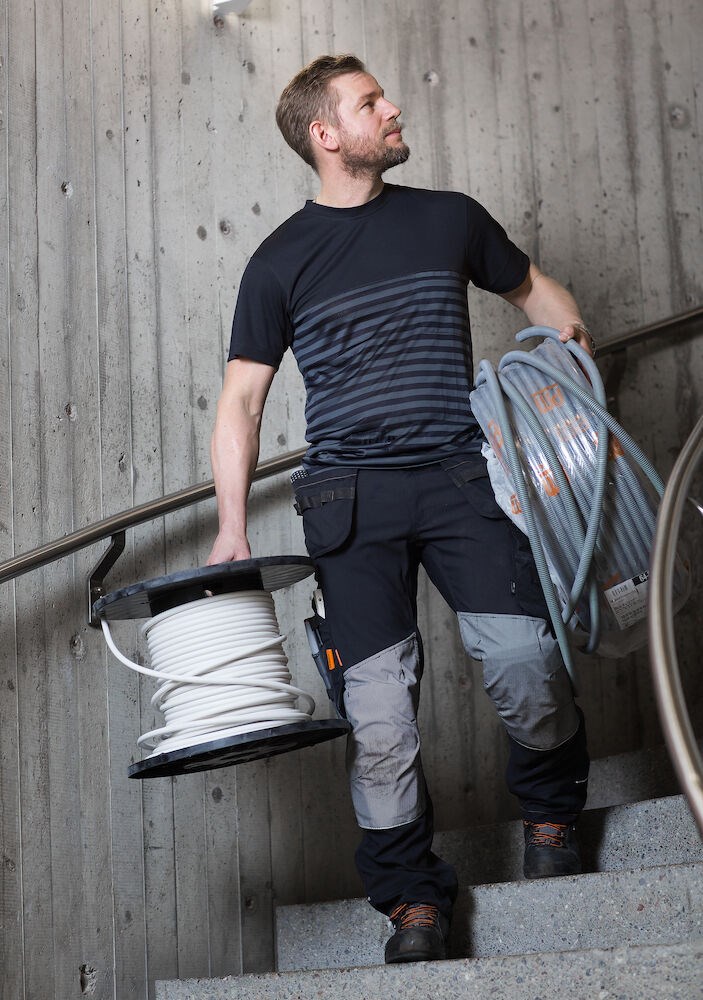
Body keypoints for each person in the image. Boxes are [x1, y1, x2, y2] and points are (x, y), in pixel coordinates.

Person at [208, 54, 592, 965]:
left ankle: (549, 811)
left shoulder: (447, 218)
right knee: (378, 719)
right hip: (349, 502)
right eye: (369, 102)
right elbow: (241, 403)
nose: (394, 109)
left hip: (462, 479)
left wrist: (570, 370)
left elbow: (538, 295)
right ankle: (410, 899)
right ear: (325, 134)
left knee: (526, 661)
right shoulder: (278, 261)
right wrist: (230, 526)